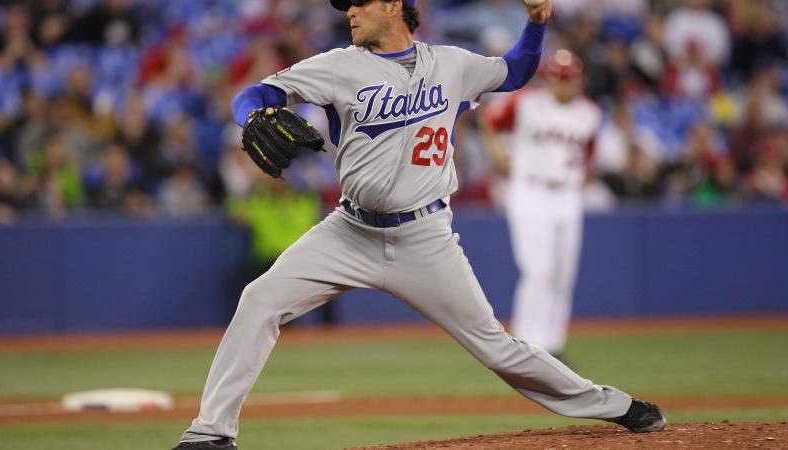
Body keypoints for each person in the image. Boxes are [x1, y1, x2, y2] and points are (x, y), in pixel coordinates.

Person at [173, 1, 666, 448]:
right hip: (349, 231)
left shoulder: (450, 64)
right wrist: (251, 116)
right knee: (259, 299)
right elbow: (256, 93)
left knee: (498, 349)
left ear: (394, 6)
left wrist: (536, 25)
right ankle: (211, 434)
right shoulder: (338, 65)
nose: (349, 12)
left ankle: (615, 405)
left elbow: (514, 72)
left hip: (425, 237)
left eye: (359, 3)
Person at [480, 49, 601, 361]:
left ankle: (554, 343)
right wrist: (496, 153)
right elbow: (490, 118)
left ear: (579, 80)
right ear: (548, 78)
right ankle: (528, 343)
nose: (563, 84)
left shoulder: (590, 112)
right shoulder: (527, 102)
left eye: (569, 79)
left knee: (563, 273)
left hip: (568, 195)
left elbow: (589, 153)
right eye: (558, 78)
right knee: (539, 269)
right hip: (530, 190)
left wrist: (580, 178)